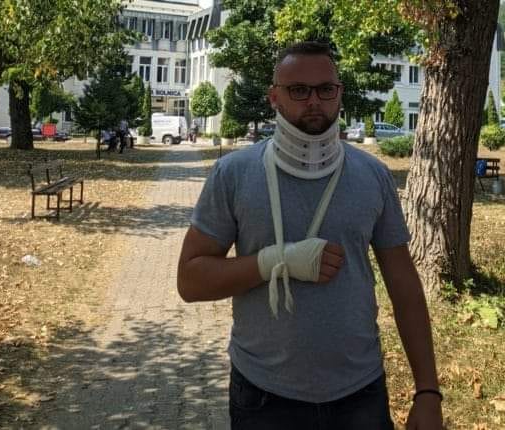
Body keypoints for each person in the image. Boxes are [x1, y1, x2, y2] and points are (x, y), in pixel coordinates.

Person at [177, 41, 443, 430]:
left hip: (359, 391)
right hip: (264, 394)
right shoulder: (233, 174)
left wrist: (428, 391)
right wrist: (274, 261)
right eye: (299, 90)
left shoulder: (373, 176)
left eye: (325, 89)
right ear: (274, 97)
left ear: (340, 94)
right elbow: (189, 281)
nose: (314, 101)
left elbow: (404, 286)